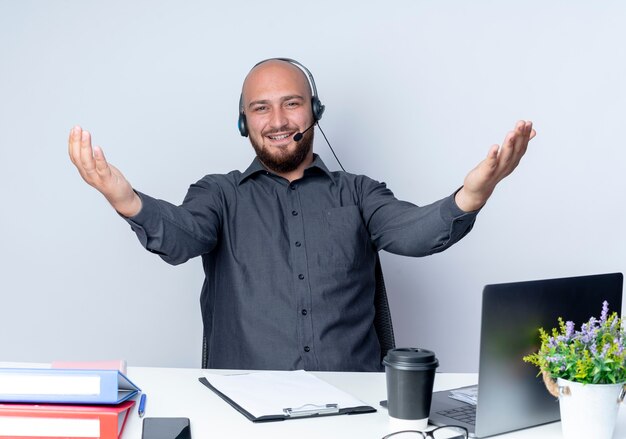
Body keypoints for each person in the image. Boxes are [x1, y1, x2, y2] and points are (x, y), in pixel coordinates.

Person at [68, 58, 536, 372]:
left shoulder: (358, 192)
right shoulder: (219, 193)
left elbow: (414, 234)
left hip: (359, 410)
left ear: (314, 111)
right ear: (244, 122)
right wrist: (125, 199)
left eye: (291, 103)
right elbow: (181, 237)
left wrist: (472, 194)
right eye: (261, 108)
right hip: (243, 412)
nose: (277, 121)